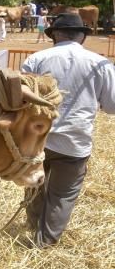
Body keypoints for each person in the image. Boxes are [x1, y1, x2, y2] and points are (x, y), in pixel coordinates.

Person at [20, 12, 115, 247]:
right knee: (62, 195)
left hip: (36, 139)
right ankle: (44, 243)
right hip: (74, 141)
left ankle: (34, 225)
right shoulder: (99, 63)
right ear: (82, 36)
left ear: (55, 35)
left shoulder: (36, 60)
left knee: (34, 185)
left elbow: (18, 99)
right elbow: (112, 106)